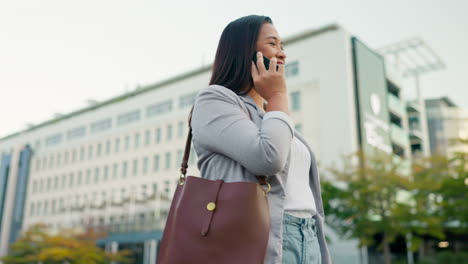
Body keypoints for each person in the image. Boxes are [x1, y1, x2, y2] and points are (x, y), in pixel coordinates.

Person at [190, 15, 331, 264]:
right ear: (246, 51)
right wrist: (278, 95)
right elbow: (268, 158)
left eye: (282, 46)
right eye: (272, 44)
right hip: (261, 238)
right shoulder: (214, 100)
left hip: (308, 236)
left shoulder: (271, 115)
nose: (282, 54)